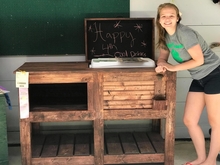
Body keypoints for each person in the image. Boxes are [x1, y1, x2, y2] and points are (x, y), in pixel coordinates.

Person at [155, 3, 220, 165]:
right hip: (199, 78)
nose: (167, 19)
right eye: (163, 16)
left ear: (177, 18)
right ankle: (201, 158)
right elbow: (163, 56)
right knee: (189, 120)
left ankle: (211, 160)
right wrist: (162, 64)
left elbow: (199, 60)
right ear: (159, 20)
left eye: (171, 15)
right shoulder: (165, 35)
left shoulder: (185, 33)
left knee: (216, 122)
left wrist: (173, 67)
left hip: (215, 75)